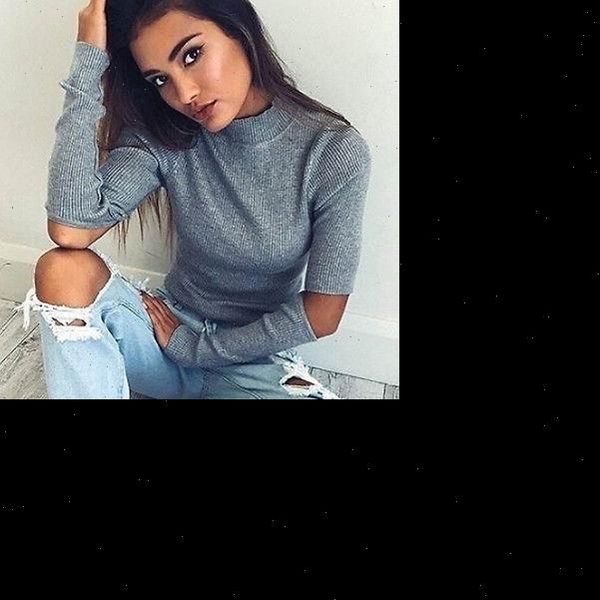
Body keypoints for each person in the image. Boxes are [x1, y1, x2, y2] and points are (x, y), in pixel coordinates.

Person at [13, 0, 373, 399]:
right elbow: (71, 228)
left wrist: (198, 348)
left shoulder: (331, 151)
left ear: (239, 30)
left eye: (191, 55)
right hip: (162, 339)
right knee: (62, 270)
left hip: (251, 360)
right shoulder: (167, 136)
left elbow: (323, 313)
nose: (184, 94)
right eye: (159, 80)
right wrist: (88, 61)